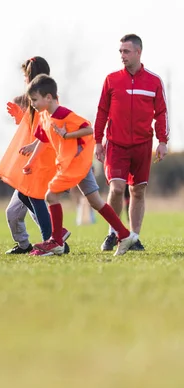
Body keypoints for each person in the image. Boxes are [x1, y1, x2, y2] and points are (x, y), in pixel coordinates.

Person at [22, 74, 138, 256]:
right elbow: (42, 139)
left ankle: (57, 241)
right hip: (76, 165)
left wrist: (67, 135)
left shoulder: (63, 114)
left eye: (34, 100)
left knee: (50, 196)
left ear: (49, 97)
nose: (33, 104)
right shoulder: (44, 116)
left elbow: (89, 128)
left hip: (74, 164)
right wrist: (31, 161)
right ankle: (124, 234)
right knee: (95, 201)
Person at [94, 34, 169, 252]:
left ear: (138, 52)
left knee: (137, 191)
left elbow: (161, 113)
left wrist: (162, 141)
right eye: (120, 52)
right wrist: (98, 141)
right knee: (117, 188)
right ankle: (114, 233)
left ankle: (134, 237)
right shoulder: (111, 79)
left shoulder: (154, 81)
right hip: (116, 144)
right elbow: (102, 111)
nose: (122, 56)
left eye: (126, 51)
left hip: (143, 145)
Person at [0, 56, 70, 254]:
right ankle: (53, 237)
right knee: (26, 198)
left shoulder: (45, 98)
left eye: (25, 76)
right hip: (36, 157)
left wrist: (33, 149)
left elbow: (47, 129)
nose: (24, 80)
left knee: (34, 197)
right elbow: (32, 129)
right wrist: (21, 118)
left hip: (42, 157)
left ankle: (52, 240)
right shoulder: (34, 100)